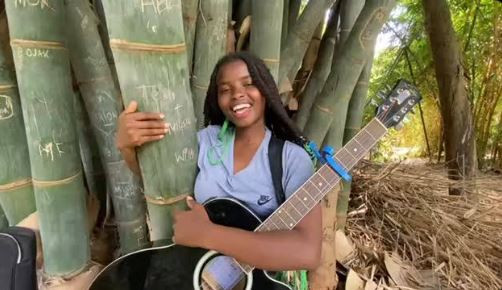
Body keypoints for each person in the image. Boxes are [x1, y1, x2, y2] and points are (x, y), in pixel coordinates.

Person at [115, 52, 321, 272]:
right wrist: (127, 147)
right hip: (195, 273)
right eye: (225, 90)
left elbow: (307, 252)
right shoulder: (206, 141)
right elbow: (162, 183)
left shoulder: (291, 159)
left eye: (248, 84)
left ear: (265, 90)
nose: (237, 95)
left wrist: (208, 234)